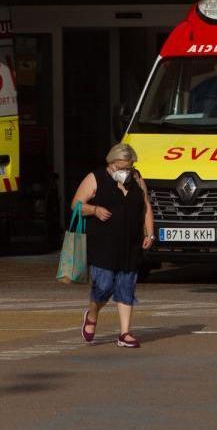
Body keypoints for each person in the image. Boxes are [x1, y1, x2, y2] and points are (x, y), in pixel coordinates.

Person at [72, 143, 156, 348]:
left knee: (126, 285)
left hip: (130, 243)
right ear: (110, 164)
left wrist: (150, 233)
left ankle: (125, 333)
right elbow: (76, 205)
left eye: (128, 167)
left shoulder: (136, 179)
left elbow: (146, 207)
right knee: (104, 285)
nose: (124, 172)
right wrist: (94, 210)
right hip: (102, 243)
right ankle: (92, 315)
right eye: (120, 168)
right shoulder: (95, 178)